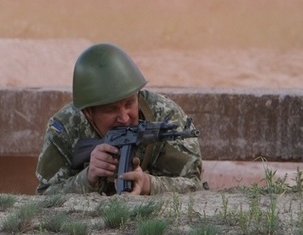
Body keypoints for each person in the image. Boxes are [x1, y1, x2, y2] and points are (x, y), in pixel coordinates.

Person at [35, 42, 204, 196]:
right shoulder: (65, 127)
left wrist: (147, 184)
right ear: (88, 113)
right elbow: (45, 196)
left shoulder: (166, 117)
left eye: (129, 103)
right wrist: (87, 179)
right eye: (111, 109)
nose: (124, 117)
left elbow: (194, 187)